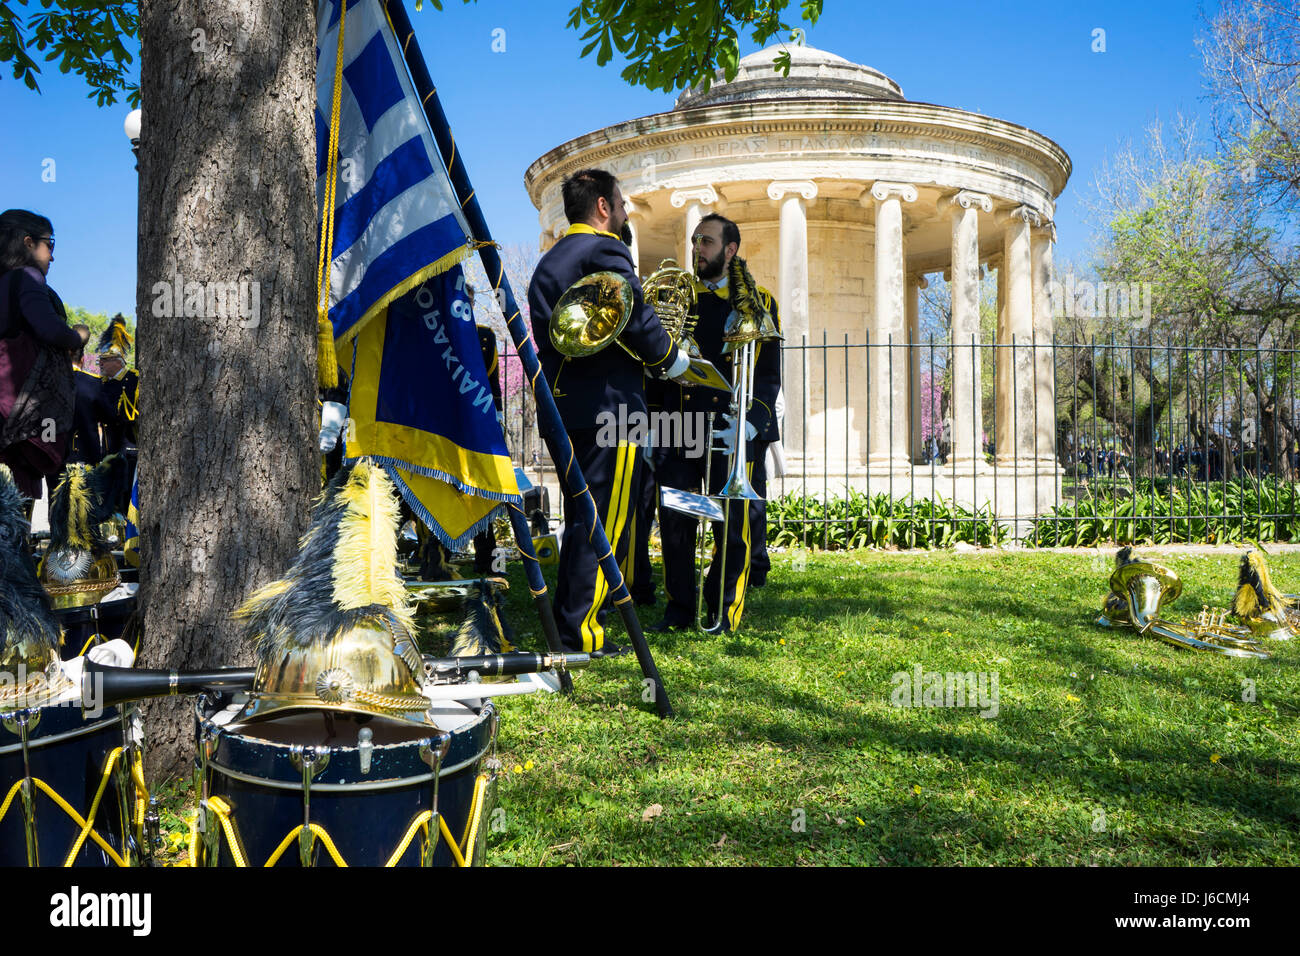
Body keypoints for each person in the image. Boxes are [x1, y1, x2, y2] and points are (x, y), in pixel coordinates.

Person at [528, 168, 689, 654]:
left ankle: (567, 623)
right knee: (603, 521)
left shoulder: (549, 262)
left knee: (581, 514)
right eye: (620, 205)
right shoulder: (606, 249)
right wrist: (672, 358)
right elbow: (636, 314)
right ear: (603, 207)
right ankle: (581, 634)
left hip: (563, 409)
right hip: (611, 410)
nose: (624, 214)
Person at [651, 213, 780, 634]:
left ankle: (724, 610)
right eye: (694, 241)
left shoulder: (760, 303)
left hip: (729, 425)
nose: (696, 249)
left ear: (730, 250)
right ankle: (679, 610)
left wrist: (751, 423)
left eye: (706, 242)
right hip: (678, 423)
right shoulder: (675, 300)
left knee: (734, 525)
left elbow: (767, 375)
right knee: (674, 520)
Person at [0, 209, 80, 504]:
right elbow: (48, 329)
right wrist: (76, 337)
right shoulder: (27, 276)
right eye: (51, 244)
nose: (53, 256)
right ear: (27, 243)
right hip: (22, 405)